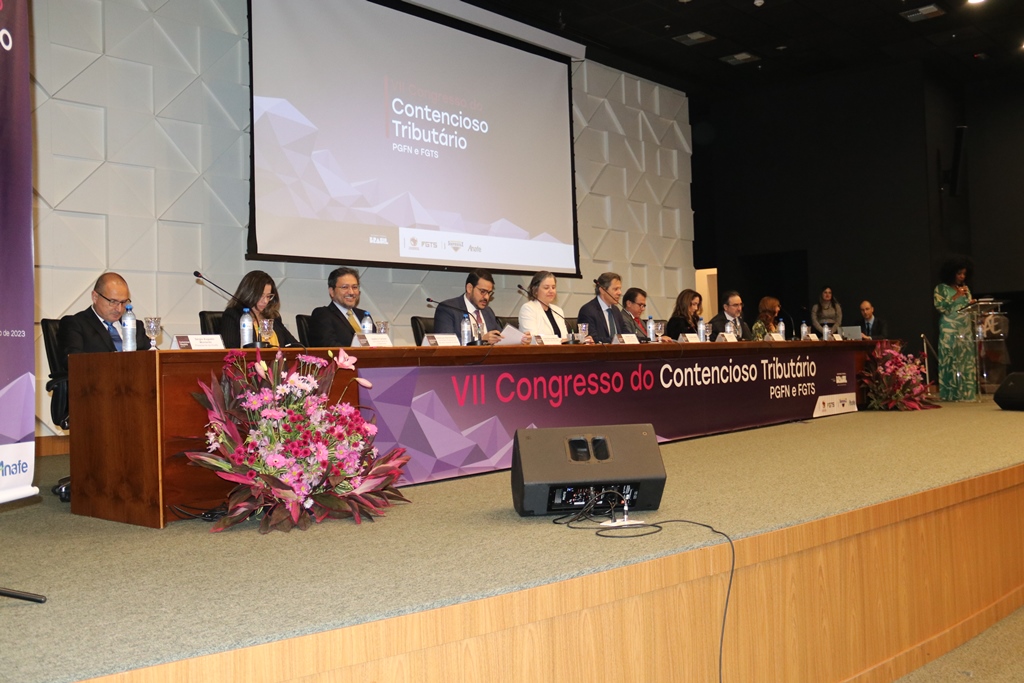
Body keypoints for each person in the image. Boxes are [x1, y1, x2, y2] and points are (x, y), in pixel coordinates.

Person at [59, 272, 148, 362]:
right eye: (113, 302)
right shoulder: (75, 324)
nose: (119, 309)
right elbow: (73, 360)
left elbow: (152, 357)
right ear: (95, 297)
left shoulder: (135, 326)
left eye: (124, 302)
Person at [933, 258, 977, 401]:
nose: (962, 277)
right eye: (959, 274)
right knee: (950, 358)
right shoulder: (941, 288)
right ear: (951, 273)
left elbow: (966, 307)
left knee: (965, 359)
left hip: (965, 327)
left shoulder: (966, 289)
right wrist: (955, 296)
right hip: (949, 328)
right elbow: (940, 307)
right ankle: (950, 394)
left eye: (964, 274)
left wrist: (972, 304)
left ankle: (966, 393)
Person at [221, 270, 299, 348]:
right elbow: (230, 350)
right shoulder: (233, 315)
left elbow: (296, 346)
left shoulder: (273, 317)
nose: (265, 301)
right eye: (261, 296)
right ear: (249, 294)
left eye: (268, 296)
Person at [433, 269, 509, 345]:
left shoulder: (488, 311)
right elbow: (445, 342)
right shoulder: (448, 309)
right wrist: (481, 340)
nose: (487, 297)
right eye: (482, 291)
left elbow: (501, 337)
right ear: (469, 288)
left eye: (489, 293)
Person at [309, 267, 375, 347]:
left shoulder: (364, 315)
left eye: (354, 287)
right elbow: (328, 346)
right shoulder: (322, 314)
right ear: (332, 291)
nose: (351, 292)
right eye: (345, 287)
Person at [577, 272, 629, 344]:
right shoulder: (588, 311)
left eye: (620, 289)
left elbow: (625, 334)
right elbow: (591, 339)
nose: (620, 292)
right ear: (602, 290)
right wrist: (617, 340)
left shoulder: (616, 310)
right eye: (616, 289)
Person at [519, 271, 571, 340]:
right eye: (546, 288)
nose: (551, 291)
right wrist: (560, 341)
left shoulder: (558, 310)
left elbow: (565, 338)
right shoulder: (528, 309)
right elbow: (534, 339)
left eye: (553, 287)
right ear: (535, 290)